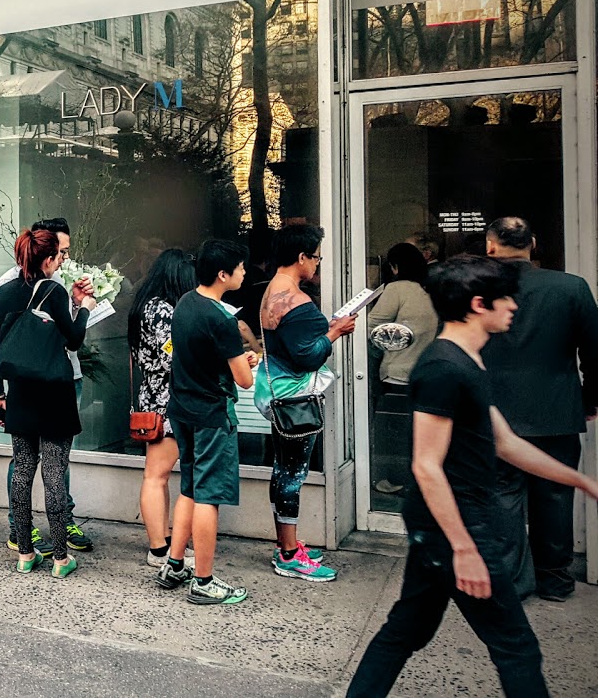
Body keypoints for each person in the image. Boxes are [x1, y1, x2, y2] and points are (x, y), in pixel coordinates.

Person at [346, 256, 598, 697]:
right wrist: (463, 549)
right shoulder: (443, 368)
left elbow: (506, 442)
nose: (515, 308)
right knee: (516, 645)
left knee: (405, 631)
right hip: (455, 525)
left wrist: (584, 482)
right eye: (506, 300)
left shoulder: (469, 360)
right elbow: (426, 465)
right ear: (479, 304)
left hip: (446, 524)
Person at [481, 216, 598, 601]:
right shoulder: (571, 287)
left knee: (501, 498)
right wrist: (589, 400)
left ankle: (512, 582)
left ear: (491, 246)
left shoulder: (477, 289)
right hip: (557, 409)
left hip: (494, 411)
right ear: (533, 244)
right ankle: (555, 580)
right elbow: (594, 353)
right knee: (555, 497)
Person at [154, 239, 258, 605]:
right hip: (211, 414)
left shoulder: (185, 303)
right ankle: (204, 580)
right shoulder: (222, 318)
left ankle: (175, 564)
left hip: (182, 408)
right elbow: (243, 381)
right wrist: (248, 360)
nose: (245, 273)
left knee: (190, 487)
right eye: (241, 268)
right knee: (208, 497)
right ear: (223, 274)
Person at [0, 229, 96, 579]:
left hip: (19, 393)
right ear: (47, 259)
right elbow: (75, 341)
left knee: (21, 471)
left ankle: (24, 554)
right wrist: (84, 308)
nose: (61, 261)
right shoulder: (54, 291)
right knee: (53, 474)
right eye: (59, 256)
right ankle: (61, 559)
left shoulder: (1, 294)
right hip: (54, 394)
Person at [255, 224, 354, 583]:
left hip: (277, 395)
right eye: (316, 257)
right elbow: (306, 356)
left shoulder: (272, 291)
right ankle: (289, 555)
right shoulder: (297, 301)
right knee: (292, 475)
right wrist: (335, 332)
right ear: (301, 257)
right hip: (296, 399)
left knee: (282, 471)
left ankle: (288, 545)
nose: (317, 264)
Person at [129, 248, 196, 567]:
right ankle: (158, 548)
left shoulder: (146, 305)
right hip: (166, 400)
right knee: (156, 475)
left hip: (154, 396)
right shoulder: (162, 310)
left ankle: (164, 541)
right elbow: (174, 358)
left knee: (159, 474)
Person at [368, 242, 438, 499]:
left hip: (397, 372)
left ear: (394, 267)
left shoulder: (396, 288)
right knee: (419, 432)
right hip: (425, 372)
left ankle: (394, 480)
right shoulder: (429, 289)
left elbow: (373, 328)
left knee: (394, 433)